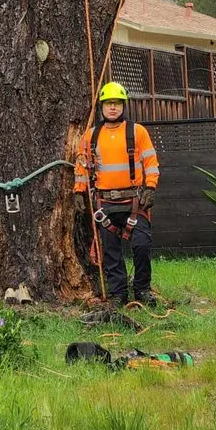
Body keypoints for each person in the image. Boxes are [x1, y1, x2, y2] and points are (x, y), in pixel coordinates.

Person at [73, 81, 160, 307]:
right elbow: (82, 166)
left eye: (117, 103)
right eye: (108, 103)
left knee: (142, 245)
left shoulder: (137, 132)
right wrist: (79, 191)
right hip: (105, 203)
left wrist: (150, 188)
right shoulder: (91, 136)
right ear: (101, 106)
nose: (113, 107)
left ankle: (142, 289)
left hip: (135, 201)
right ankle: (118, 294)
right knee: (111, 252)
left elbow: (151, 162)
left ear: (124, 105)